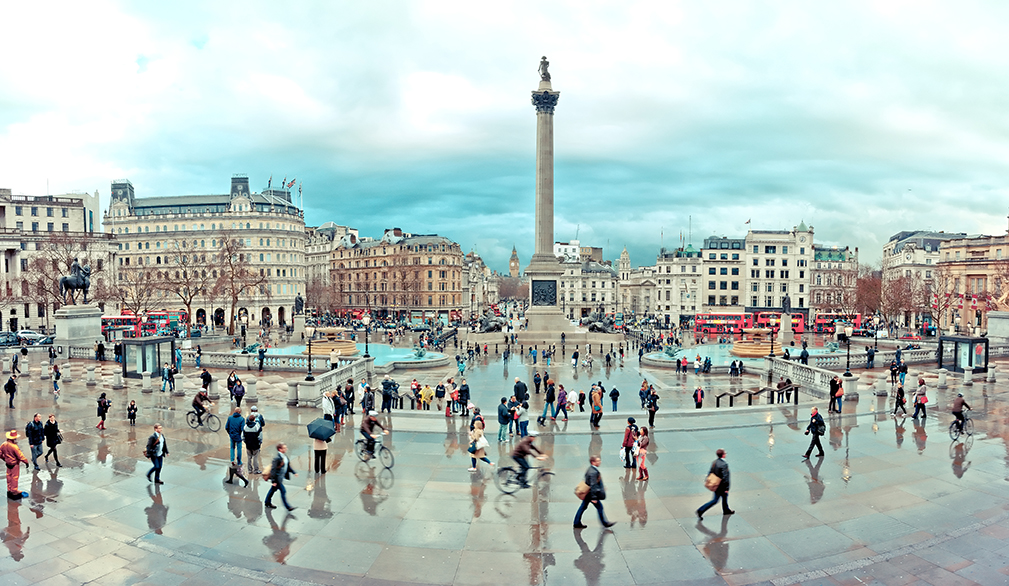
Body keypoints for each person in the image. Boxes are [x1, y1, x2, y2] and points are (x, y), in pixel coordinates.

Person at [573, 456, 614, 528]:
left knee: (583, 507)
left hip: (588, 493)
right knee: (599, 507)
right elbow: (593, 485)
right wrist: (594, 497)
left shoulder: (590, 469)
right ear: (593, 462)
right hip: (590, 494)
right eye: (597, 461)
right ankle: (605, 523)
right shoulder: (593, 472)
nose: (599, 462)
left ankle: (576, 522)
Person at [696, 448, 733, 519]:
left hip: (716, 484)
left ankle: (726, 510)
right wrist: (727, 488)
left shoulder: (715, 462)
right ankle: (700, 510)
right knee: (715, 500)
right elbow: (725, 478)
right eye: (725, 453)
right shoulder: (724, 464)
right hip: (721, 486)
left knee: (725, 497)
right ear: (723, 455)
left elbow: (711, 472)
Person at [265, 443, 297, 511]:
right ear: (280, 449)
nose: (286, 449)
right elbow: (273, 470)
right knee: (283, 491)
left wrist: (294, 472)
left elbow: (287, 466)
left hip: (280, 478)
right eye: (284, 448)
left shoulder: (285, 457)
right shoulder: (277, 458)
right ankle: (288, 507)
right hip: (277, 479)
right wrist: (273, 481)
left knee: (272, 490)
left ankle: (267, 502)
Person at [1, 430, 29, 500]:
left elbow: (0, 453)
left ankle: (9, 489)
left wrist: (4, 458)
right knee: (14, 477)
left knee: (9, 476)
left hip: (8, 463)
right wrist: (26, 462)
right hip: (14, 464)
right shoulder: (14, 446)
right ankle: (14, 490)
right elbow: (20, 456)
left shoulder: (4, 444)